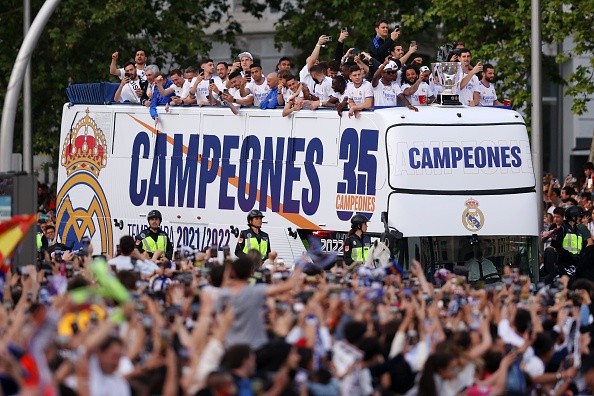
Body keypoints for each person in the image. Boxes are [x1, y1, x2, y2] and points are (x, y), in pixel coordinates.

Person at [550, 205, 586, 277]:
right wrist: (569, 255)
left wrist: (579, 257)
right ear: (572, 217)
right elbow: (558, 246)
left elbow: (582, 247)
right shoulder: (563, 229)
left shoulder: (579, 231)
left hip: (577, 264)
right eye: (578, 216)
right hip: (564, 263)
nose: (580, 218)